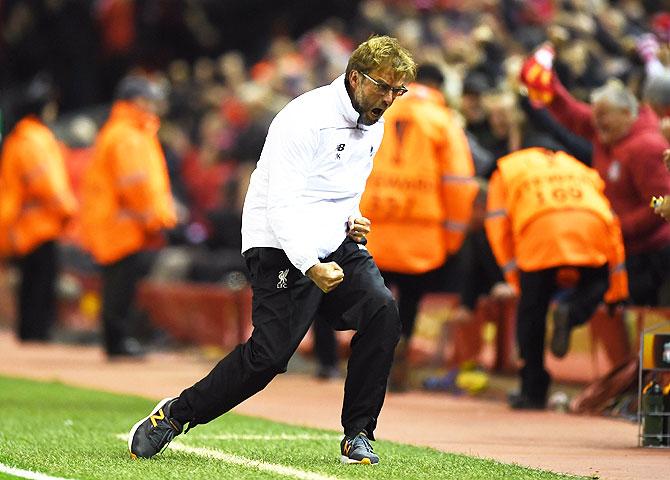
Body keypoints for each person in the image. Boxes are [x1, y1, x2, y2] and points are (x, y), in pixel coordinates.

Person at [128, 35, 416, 465]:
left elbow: (341, 187)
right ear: (355, 77)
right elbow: (282, 205)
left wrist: (353, 216)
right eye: (382, 86)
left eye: (398, 91)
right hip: (278, 243)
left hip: (333, 240)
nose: (389, 99)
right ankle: (170, 417)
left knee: (382, 311)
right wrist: (310, 265)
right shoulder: (304, 119)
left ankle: (358, 434)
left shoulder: (372, 123)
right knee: (267, 358)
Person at [360, 63, 478, 391]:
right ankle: (400, 358)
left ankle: (369, 362)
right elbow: (458, 183)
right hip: (421, 233)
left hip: (374, 227)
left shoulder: (378, 113)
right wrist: (453, 238)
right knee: (410, 301)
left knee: (374, 296)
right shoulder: (444, 121)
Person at [521, 50, 670, 306]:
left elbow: (660, 201)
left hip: (652, 252)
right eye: (595, 115)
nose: (595, 122)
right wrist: (547, 82)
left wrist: (624, 226)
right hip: (622, 248)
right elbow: (570, 113)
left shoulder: (646, 147)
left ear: (626, 112)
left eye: (602, 116)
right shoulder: (607, 136)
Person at [485, 147, 628, 409]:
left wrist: (516, 278)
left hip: (539, 233)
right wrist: (617, 289)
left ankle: (533, 390)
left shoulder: (507, 169)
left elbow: (497, 225)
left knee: (532, 315)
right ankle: (571, 311)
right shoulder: (577, 166)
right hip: (591, 226)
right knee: (596, 282)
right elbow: (611, 221)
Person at [80, 75, 177, 358]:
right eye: (149, 99)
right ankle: (118, 342)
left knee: (117, 284)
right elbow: (135, 184)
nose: (154, 106)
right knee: (120, 286)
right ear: (136, 101)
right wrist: (156, 219)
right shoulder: (128, 135)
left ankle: (118, 340)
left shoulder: (122, 130)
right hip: (123, 224)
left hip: (116, 222)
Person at [0, 75, 77, 341]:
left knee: (28, 285)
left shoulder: (16, 139)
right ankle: (37, 338)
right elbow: (47, 181)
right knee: (41, 286)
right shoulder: (37, 139)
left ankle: (28, 334)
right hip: (40, 225)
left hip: (19, 225)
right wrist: (67, 209)